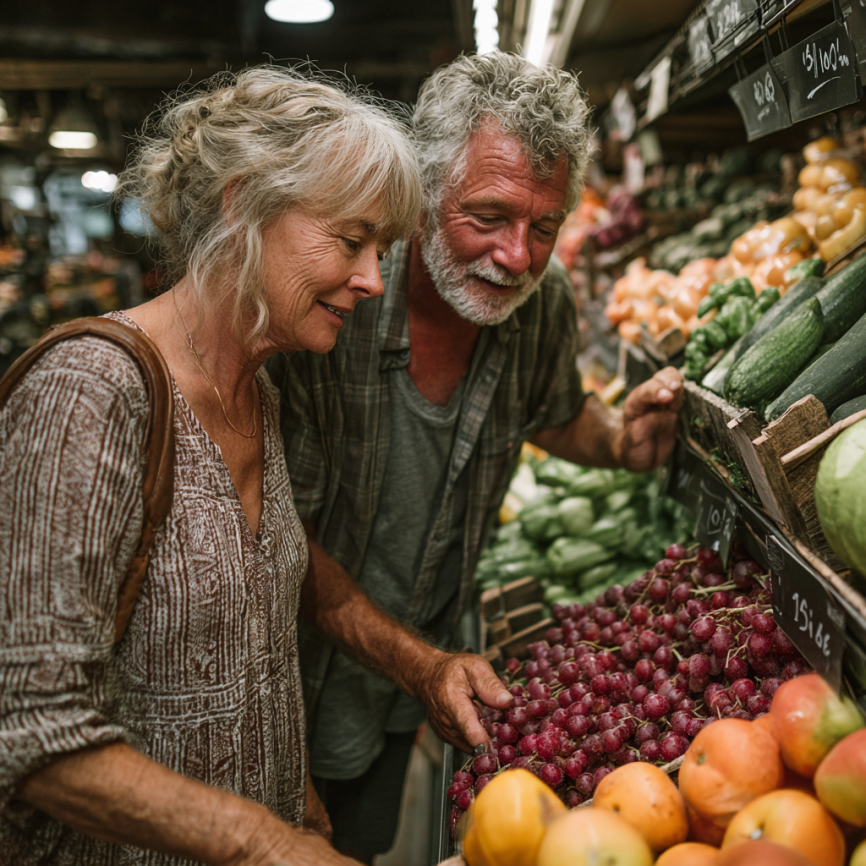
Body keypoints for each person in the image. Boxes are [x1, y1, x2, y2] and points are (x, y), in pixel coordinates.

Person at [0, 66, 510, 866]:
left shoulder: (256, 389)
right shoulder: (91, 393)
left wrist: (288, 775)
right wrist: (259, 841)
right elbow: (28, 726)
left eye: (381, 249)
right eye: (350, 240)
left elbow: (268, 582)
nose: (374, 280)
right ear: (243, 204)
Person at [269, 51, 684, 863]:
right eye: (488, 216)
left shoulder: (543, 304)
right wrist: (420, 663)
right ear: (422, 195)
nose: (518, 256)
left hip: (401, 697)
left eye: (544, 226)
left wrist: (620, 443)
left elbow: (557, 413)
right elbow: (275, 531)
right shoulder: (334, 303)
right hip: (287, 684)